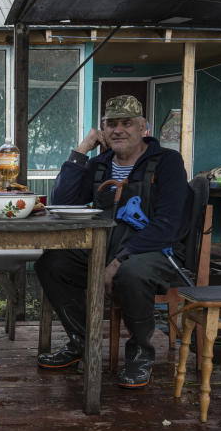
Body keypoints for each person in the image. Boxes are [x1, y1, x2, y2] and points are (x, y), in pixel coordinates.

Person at [35, 95, 191, 388]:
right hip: (104, 250)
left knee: (131, 274)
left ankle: (140, 354)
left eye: (127, 123)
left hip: (156, 252)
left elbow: (167, 225)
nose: (118, 130)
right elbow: (62, 203)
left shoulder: (167, 162)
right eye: (111, 124)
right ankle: (83, 341)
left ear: (143, 126)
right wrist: (82, 150)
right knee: (52, 262)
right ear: (103, 130)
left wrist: (119, 260)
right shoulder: (100, 164)